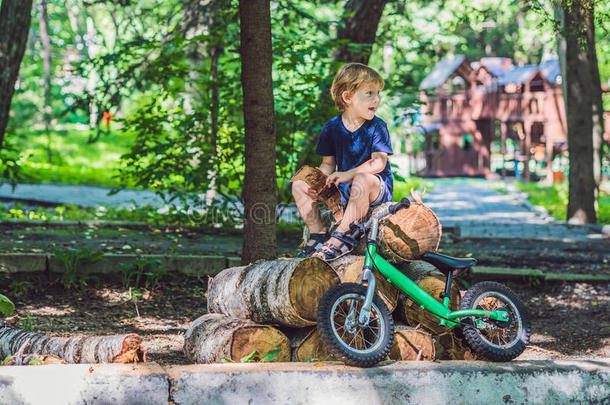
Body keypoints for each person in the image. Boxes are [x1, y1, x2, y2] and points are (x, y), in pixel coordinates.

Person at [292, 63, 394, 260]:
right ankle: (318, 233)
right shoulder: (331, 128)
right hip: (345, 188)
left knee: (362, 179)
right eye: (370, 93)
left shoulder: (378, 127)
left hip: (375, 187)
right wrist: (321, 182)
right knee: (299, 183)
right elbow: (328, 165)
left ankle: (342, 237)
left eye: (378, 93)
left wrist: (347, 174)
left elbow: (378, 163)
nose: (377, 99)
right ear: (348, 97)